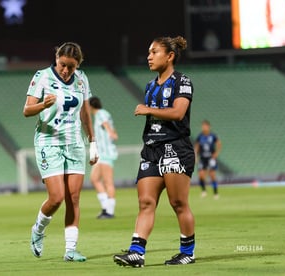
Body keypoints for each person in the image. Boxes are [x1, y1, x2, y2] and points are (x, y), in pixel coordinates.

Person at [113, 36, 196, 267]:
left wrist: (147, 109)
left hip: (175, 148)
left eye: (154, 52)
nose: (149, 56)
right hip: (151, 149)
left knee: (178, 203)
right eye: (149, 52)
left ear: (169, 56)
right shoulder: (150, 86)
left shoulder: (182, 81)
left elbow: (178, 113)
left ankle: (187, 252)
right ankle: (136, 252)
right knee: (146, 202)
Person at [23, 42, 99, 262]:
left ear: (78, 66)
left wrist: (92, 142)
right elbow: (27, 110)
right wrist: (43, 105)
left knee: (73, 197)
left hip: (74, 143)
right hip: (49, 142)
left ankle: (70, 249)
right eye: (62, 65)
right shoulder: (43, 77)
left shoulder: (82, 79)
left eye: (71, 67)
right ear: (56, 59)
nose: (66, 71)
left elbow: (85, 112)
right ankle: (38, 229)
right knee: (56, 198)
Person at [89, 96, 119, 219]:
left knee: (108, 182)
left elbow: (106, 124)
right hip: (102, 153)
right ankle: (106, 207)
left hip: (106, 153)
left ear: (90, 106)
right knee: (94, 179)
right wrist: (113, 132)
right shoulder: (102, 114)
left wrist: (111, 133)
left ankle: (109, 211)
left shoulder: (100, 114)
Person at [194, 119, 222, 199]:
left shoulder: (213, 136)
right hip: (202, 158)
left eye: (205, 126)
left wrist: (216, 154)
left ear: (209, 127)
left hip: (211, 158)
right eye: (203, 126)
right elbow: (196, 147)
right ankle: (203, 191)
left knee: (212, 175)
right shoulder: (200, 136)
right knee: (201, 175)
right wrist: (196, 156)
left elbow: (219, 144)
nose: (204, 128)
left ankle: (215, 192)